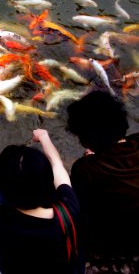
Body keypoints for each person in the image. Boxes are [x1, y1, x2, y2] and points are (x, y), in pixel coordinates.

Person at [0, 129, 84, 274]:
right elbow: (57, 164)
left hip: (11, 267)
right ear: (47, 179)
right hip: (69, 269)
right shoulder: (68, 207)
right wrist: (44, 137)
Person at [67, 90, 139, 255]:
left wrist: (94, 160)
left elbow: (81, 210)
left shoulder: (86, 170)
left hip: (118, 244)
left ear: (85, 139)